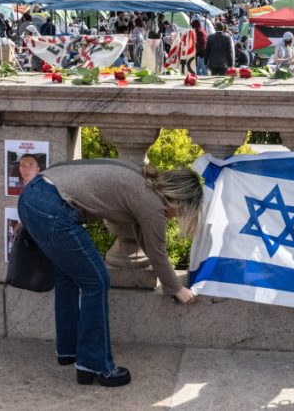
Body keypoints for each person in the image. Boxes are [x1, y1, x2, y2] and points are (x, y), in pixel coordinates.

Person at [16, 160, 203, 387]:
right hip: (53, 208)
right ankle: (94, 364)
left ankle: (69, 350)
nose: (175, 217)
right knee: (97, 281)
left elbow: (148, 243)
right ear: (178, 199)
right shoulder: (153, 203)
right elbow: (158, 252)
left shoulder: (142, 182)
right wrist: (177, 288)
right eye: (182, 211)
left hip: (33, 196)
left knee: (68, 276)